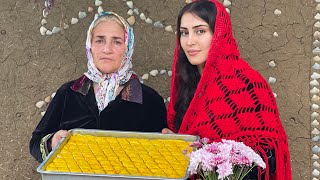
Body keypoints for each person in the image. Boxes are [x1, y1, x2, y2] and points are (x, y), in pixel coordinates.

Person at [162, 0, 291, 179]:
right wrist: (175, 141)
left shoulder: (247, 84)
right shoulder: (185, 85)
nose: (190, 41)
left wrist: (207, 157)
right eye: (184, 33)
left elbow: (265, 158)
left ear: (219, 34)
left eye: (200, 31)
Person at [30, 12, 167, 163]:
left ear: (128, 47)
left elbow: (162, 156)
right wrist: (52, 142)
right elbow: (36, 143)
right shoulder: (70, 92)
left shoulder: (148, 99)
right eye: (100, 41)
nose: (107, 49)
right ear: (90, 46)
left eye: (117, 42)